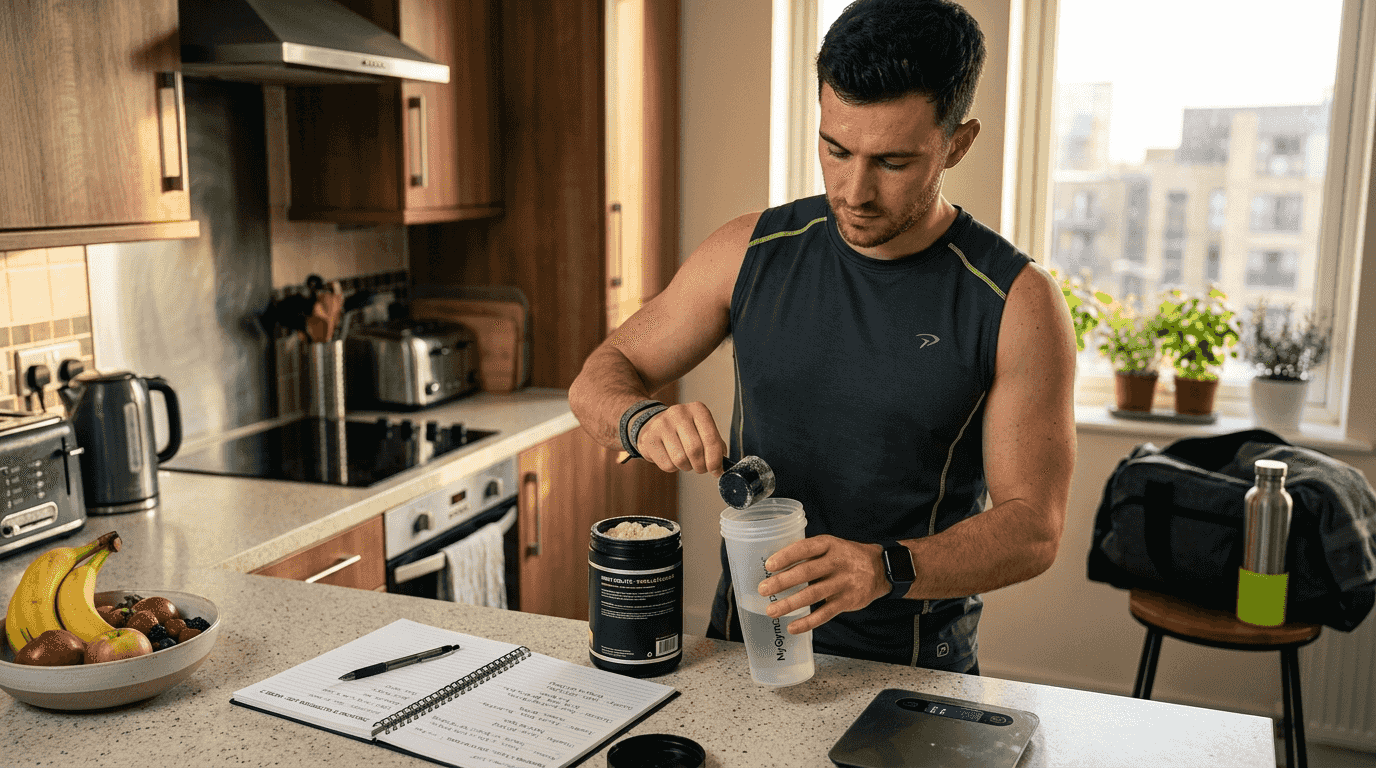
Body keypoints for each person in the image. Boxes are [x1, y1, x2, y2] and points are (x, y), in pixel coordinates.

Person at [568, 0, 1075, 674]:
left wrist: (883, 566)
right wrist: (640, 420)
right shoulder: (749, 250)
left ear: (958, 143)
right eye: (836, 149)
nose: (855, 191)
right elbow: (601, 375)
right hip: (743, 652)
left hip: (909, 671)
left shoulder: (1016, 300)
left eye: (893, 162)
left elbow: (1033, 529)